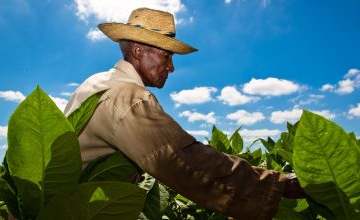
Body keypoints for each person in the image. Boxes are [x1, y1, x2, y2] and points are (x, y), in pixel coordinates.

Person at [64, 7, 306, 220]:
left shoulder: (97, 82)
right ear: (138, 50)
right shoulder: (128, 97)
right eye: (166, 56)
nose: (171, 67)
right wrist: (278, 184)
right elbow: (180, 158)